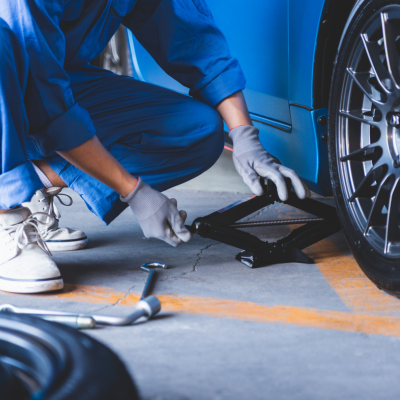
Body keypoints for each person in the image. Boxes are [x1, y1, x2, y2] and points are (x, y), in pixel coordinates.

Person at [0, 0, 310, 294]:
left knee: (197, 127)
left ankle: (28, 182)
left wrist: (244, 134)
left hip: (50, 81)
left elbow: (195, 43)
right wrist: (132, 189)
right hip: (16, 78)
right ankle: (5, 208)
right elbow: (43, 98)